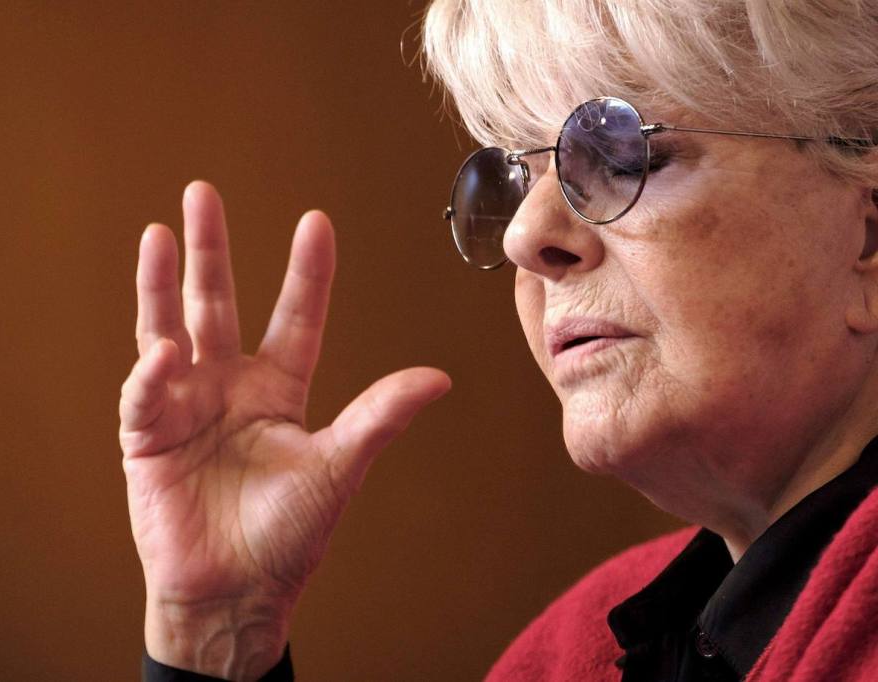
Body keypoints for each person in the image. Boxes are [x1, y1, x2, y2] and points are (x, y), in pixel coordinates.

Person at [118, 1, 878, 679]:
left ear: (868, 238)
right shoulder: (565, 651)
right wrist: (218, 634)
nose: (524, 235)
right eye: (520, 178)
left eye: (625, 158)